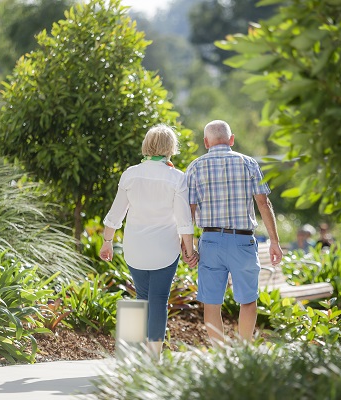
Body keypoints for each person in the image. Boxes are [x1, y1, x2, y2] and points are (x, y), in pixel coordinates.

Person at [99, 124, 198, 358]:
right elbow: (184, 220)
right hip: (165, 249)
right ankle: (153, 357)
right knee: (159, 300)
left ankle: (133, 354)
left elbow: (116, 214)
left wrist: (107, 241)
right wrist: (189, 249)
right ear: (170, 148)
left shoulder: (130, 174)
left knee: (141, 298)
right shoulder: (177, 178)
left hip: (135, 249)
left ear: (146, 146)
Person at [186, 120, 283, 344]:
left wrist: (188, 246)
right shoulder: (248, 163)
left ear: (205, 142)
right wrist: (275, 242)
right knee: (248, 300)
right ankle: (244, 352)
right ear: (231, 139)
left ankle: (220, 357)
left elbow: (188, 212)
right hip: (242, 241)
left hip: (209, 241)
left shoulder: (195, 166)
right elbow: (263, 203)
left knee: (211, 302)